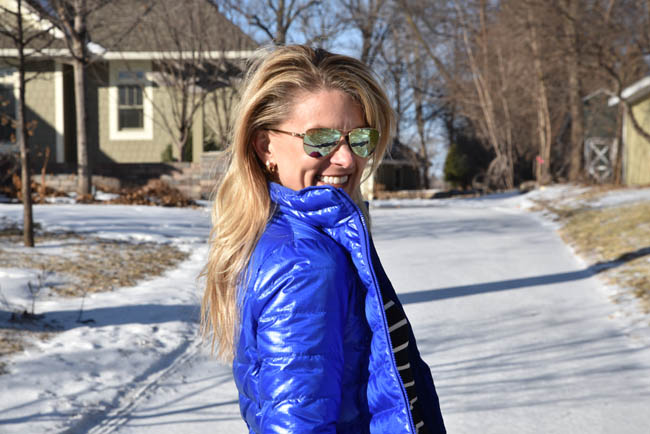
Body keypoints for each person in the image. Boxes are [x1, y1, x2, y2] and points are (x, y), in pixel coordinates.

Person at [202, 44, 446, 433]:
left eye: (359, 139)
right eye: (320, 139)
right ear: (265, 146)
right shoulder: (306, 264)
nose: (347, 159)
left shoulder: (297, 237)